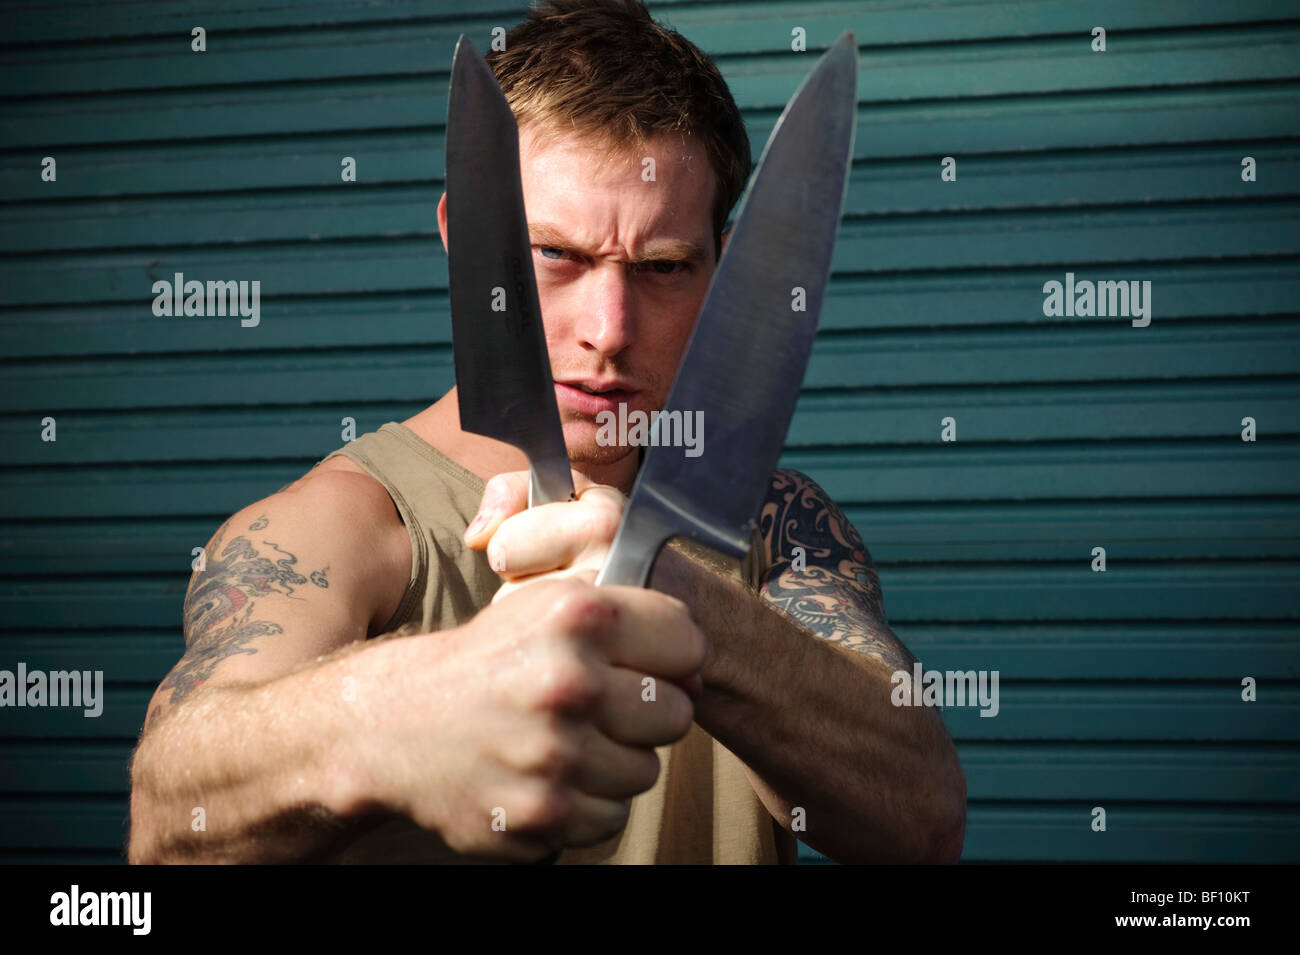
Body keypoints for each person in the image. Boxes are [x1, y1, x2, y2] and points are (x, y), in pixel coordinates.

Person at [127, 0, 966, 864]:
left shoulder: (777, 525)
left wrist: (678, 599)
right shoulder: (351, 524)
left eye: (664, 267)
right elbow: (167, 815)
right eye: (556, 255)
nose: (609, 327)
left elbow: (923, 818)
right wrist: (406, 710)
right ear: (468, 243)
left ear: (721, 266)